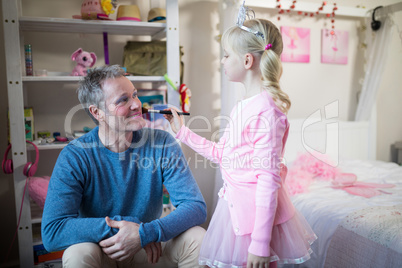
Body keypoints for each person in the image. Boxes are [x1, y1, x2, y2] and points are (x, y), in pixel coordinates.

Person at [164, 5, 317, 268]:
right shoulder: (243, 105)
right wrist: (183, 133)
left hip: (257, 223)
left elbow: (268, 180)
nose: (222, 61)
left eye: (225, 56)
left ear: (247, 61)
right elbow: (222, 154)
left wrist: (260, 243)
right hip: (237, 211)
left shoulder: (266, 111)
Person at [41, 65, 207, 268]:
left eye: (135, 95)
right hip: (104, 249)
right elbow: (53, 231)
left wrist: (145, 233)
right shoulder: (75, 155)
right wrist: (128, 228)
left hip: (148, 247)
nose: (137, 104)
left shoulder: (162, 143)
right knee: (77, 254)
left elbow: (196, 207)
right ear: (97, 112)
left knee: (197, 238)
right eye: (123, 100)